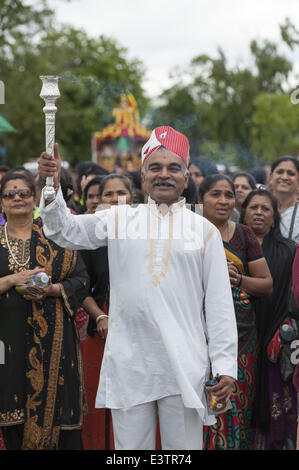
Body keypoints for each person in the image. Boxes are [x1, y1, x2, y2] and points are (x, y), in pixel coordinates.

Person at [37, 127, 238, 451]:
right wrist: (52, 186)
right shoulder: (119, 219)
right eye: (155, 168)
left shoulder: (203, 230)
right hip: (131, 363)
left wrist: (225, 366)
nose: (164, 175)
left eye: (173, 168)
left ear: (186, 177)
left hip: (184, 364)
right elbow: (64, 230)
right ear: (142, 176)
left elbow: (219, 305)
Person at [0, 170, 90, 450]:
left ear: (35, 197)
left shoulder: (55, 235)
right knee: (13, 418)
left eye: (24, 193)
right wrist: (13, 280)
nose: (17, 198)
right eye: (9, 194)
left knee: (62, 427)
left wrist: (52, 290)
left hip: (55, 346)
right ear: (1, 202)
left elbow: (82, 279)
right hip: (7, 343)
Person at [198, 174, 273, 450]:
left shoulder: (243, 235)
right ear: (199, 199)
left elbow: (266, 285)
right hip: (197, 336)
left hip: (242, 338)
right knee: (198, 409)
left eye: (229, 195)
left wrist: (238, 280)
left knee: (236, 409)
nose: (223, 200)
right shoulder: (189, 233)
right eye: (215, 194)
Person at [241, 188, 297, 449]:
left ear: (275, 217)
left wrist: (283, 329)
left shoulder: (290, 251)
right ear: (244, 213)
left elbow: (292, 297)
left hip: (276, 339)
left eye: (266, 209)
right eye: (254, 208)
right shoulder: (230, 247)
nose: (259, 213)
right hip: (241, 339)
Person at [81, 173, 133, 450]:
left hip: (139, 333)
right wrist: (100, 316)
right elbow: (80, 285)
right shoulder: (90, 238)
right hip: (102, 328)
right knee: (99, 405)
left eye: (121, 193)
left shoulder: (145, 237)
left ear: (133, 199)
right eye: (108, 194)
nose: (115, 199)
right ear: (98, 202)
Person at [268, 156, 299, 244]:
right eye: (280, 172)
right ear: (270, 177)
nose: (284, 177)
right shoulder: (258, 208)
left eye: (291, 173)